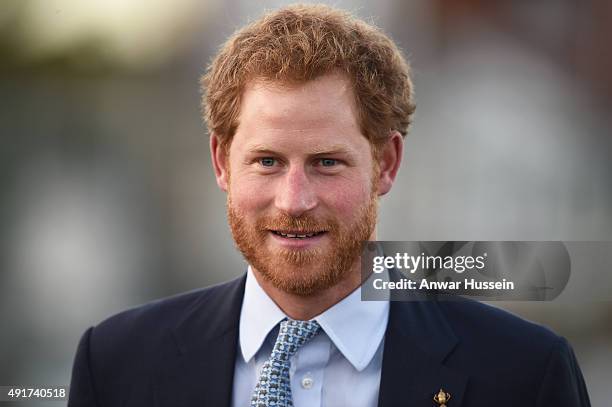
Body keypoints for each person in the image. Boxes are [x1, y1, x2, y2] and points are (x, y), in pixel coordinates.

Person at [68, 4, 591, 407]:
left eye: (326, 163)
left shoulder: (524, 373)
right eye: (268, 161)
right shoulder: (116, 364)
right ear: (222, 162)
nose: (294, 201)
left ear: (386, 163)